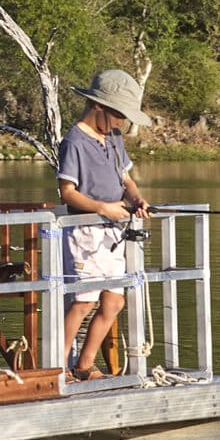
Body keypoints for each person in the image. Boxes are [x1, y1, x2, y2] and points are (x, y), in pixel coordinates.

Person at [58, 68, 152, 380]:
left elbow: (126, 179)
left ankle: (85, 366)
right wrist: (102, 208)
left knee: (114, 301)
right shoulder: (74, 142)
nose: (122, 122)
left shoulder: (114, 138)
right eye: (119, 115)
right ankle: (57, 367)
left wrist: (137, 199)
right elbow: (68, 192)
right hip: (86, 231)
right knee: (84, 302)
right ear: (98, 106)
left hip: (115, 232)